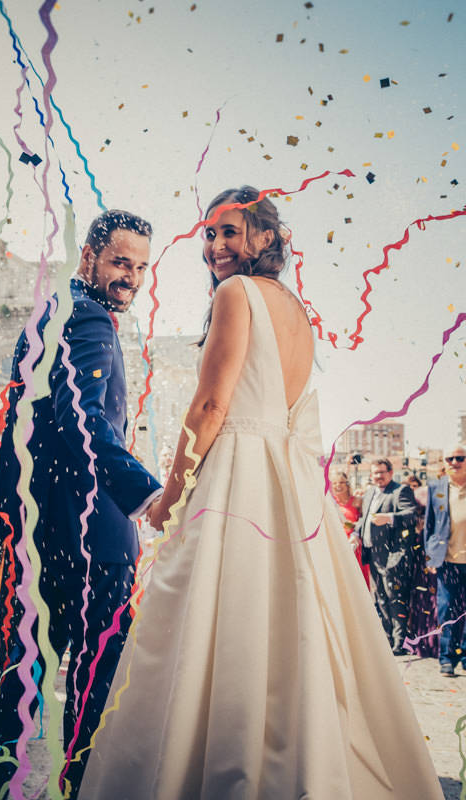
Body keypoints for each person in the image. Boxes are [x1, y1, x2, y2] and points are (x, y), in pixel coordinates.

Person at [81, 187, 442, 799]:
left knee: (214, 623)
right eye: (210, 235)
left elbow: (212, 403)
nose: (216, 247)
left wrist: (170, 494)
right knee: (287, 626)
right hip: (289, 486)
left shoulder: (235, 294)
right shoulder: (295, 310)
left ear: (267, 238)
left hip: (236, 477)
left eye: (231, 232)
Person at [0, 210, 162, 798]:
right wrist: (145, 492)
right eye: (119, 262)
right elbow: (83, 420)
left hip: (44, 526)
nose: (130, 277)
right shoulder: (91, 319)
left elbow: (20, 422)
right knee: (96, 670)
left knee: (27, 664)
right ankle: (79, 783)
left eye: (140, 267)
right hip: (92, 531)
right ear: (89, 259)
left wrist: (9, 512)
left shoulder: (51, 313)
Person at [354, 458, 417, 653]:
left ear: (390, 473)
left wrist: (389, 518)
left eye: (382, 472)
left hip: (392, 556)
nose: (378, 476)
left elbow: (412, 515)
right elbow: (363, 520)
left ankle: (400, 643)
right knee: (380, 599)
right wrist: (355, 534)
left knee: (395, 599)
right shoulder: (370, 493)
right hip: (372, 555)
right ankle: (387, 639)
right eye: (375, 473)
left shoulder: (400, 491)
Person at [424, 443, 466, 676]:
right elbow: (429, 526)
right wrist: (430, 558)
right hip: (446, 561)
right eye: (450, 459)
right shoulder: (437, 488)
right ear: (444, 463)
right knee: (447, 610)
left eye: (460, 458)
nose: (454, 463)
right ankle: (446, 659)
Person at [330, 471, 369, 586]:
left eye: (341, 482)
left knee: (357, 581)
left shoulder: (357, 501)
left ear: (347, 484)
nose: (338, 486)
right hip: (338, 545)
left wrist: (351, 526)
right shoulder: (331, 504)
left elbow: (363, 522)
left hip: (355, 545)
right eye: (335, 483)